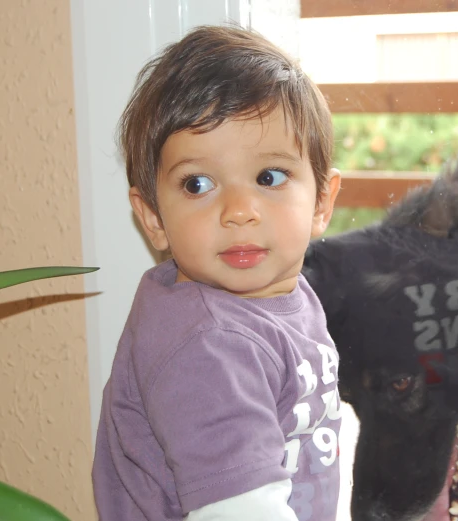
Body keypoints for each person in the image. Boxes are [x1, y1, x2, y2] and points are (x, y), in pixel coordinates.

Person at [91, 24, 343, 521]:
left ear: (321, 202)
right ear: (152, 218)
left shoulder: (276, 297)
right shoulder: (209, 346)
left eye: (269, 177)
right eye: (198, 183)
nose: (239, 210)